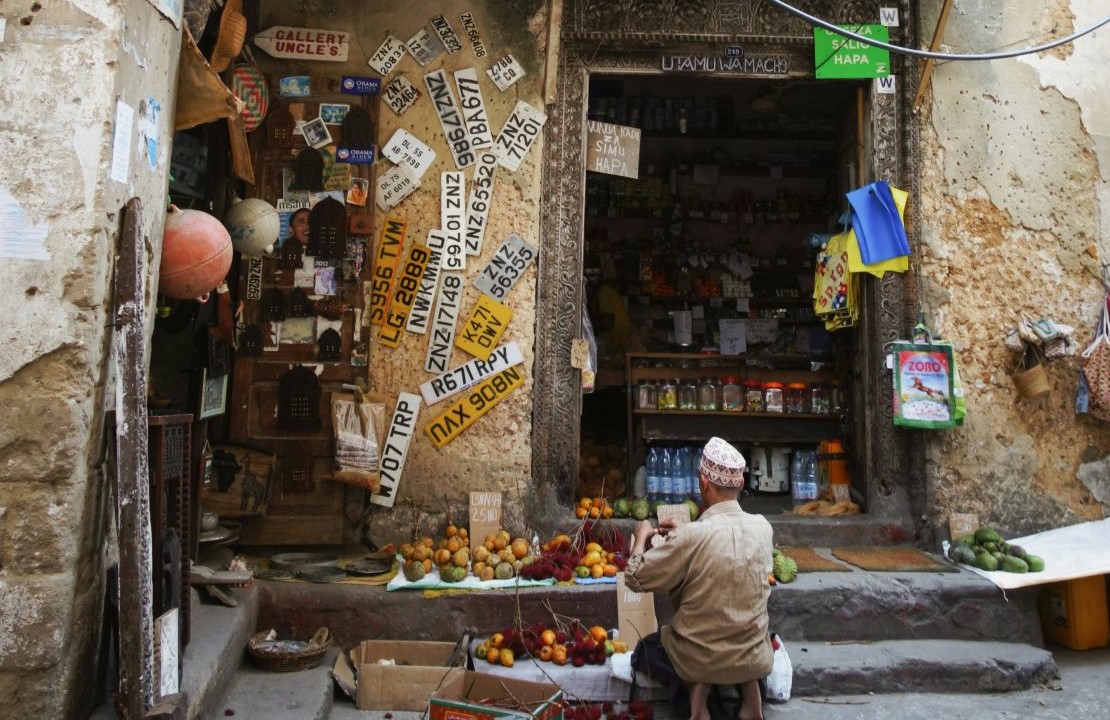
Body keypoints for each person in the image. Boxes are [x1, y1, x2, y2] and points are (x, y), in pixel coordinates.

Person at [625, 437, 774, 720]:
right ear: (741, 484)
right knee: (744, 632)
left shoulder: (692, 536)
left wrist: (641, 536)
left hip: (700, 655)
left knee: (649, 648)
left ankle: (698, 708)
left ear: (703, 483)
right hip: (752, 657)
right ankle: (749, 703)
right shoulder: (763, 528)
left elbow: (635, 577)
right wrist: (691, 531)